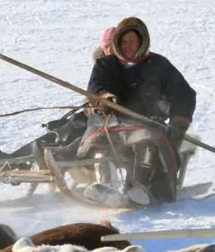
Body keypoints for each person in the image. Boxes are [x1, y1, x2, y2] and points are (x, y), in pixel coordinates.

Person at [82, 16, 196, 205]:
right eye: (124, 41)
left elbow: (183, 94)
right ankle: (107, 187)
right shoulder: (106, 64)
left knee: (147, 140)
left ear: (142, 41)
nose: (128, 45)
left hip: (148, 122)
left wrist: (179, 122)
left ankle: (138, 187)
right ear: (117, 42)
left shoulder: (159, 65)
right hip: (111, 122)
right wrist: (104, 98)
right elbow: (96, 87)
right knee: (102, 144)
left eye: (132, 41)